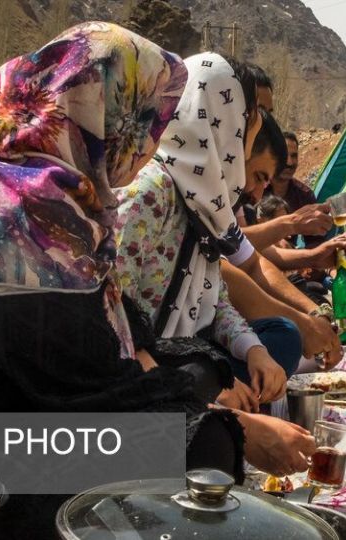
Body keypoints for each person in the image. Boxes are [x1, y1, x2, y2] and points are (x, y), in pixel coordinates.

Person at [0, 23, 312, 537]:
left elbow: (98, 341)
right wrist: (235, 428)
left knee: (198, 385)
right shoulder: (28, 218)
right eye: (146, 125)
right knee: (203, 445)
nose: (150, 147)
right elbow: (88, 385)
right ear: (111, 121)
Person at [114, 54, 301, 416]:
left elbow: (212, 301)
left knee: (274, 343)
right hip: (139, 367)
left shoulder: (205, 204)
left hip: (180, 355)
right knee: (220, 417)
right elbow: (114, 318)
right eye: (247, 123)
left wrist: (254, 350)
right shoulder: (150, 192)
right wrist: (204, 389)